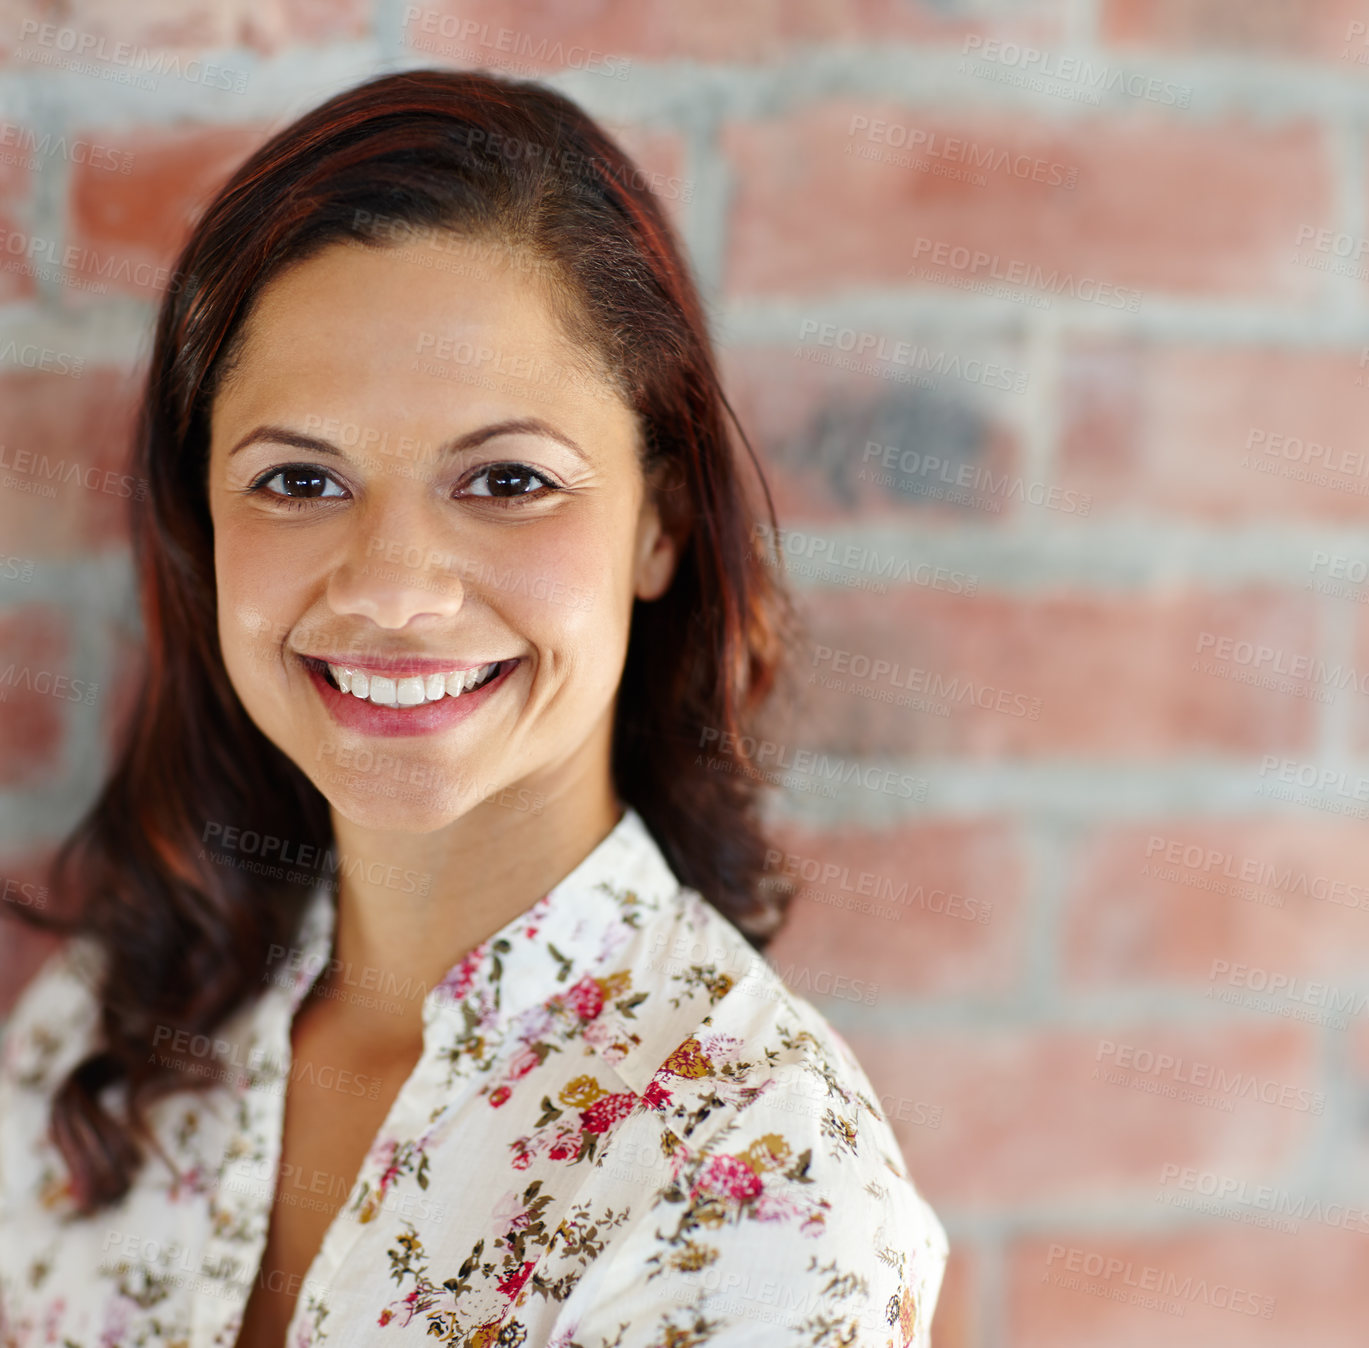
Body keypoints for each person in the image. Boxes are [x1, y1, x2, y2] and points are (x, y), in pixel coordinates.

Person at [0, 68, 948, 1347]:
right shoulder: (103, 1029)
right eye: (297, 478)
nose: (392, 592)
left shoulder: (761, 1177)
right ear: (201, 526)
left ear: (659, 522)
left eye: (506, 478)